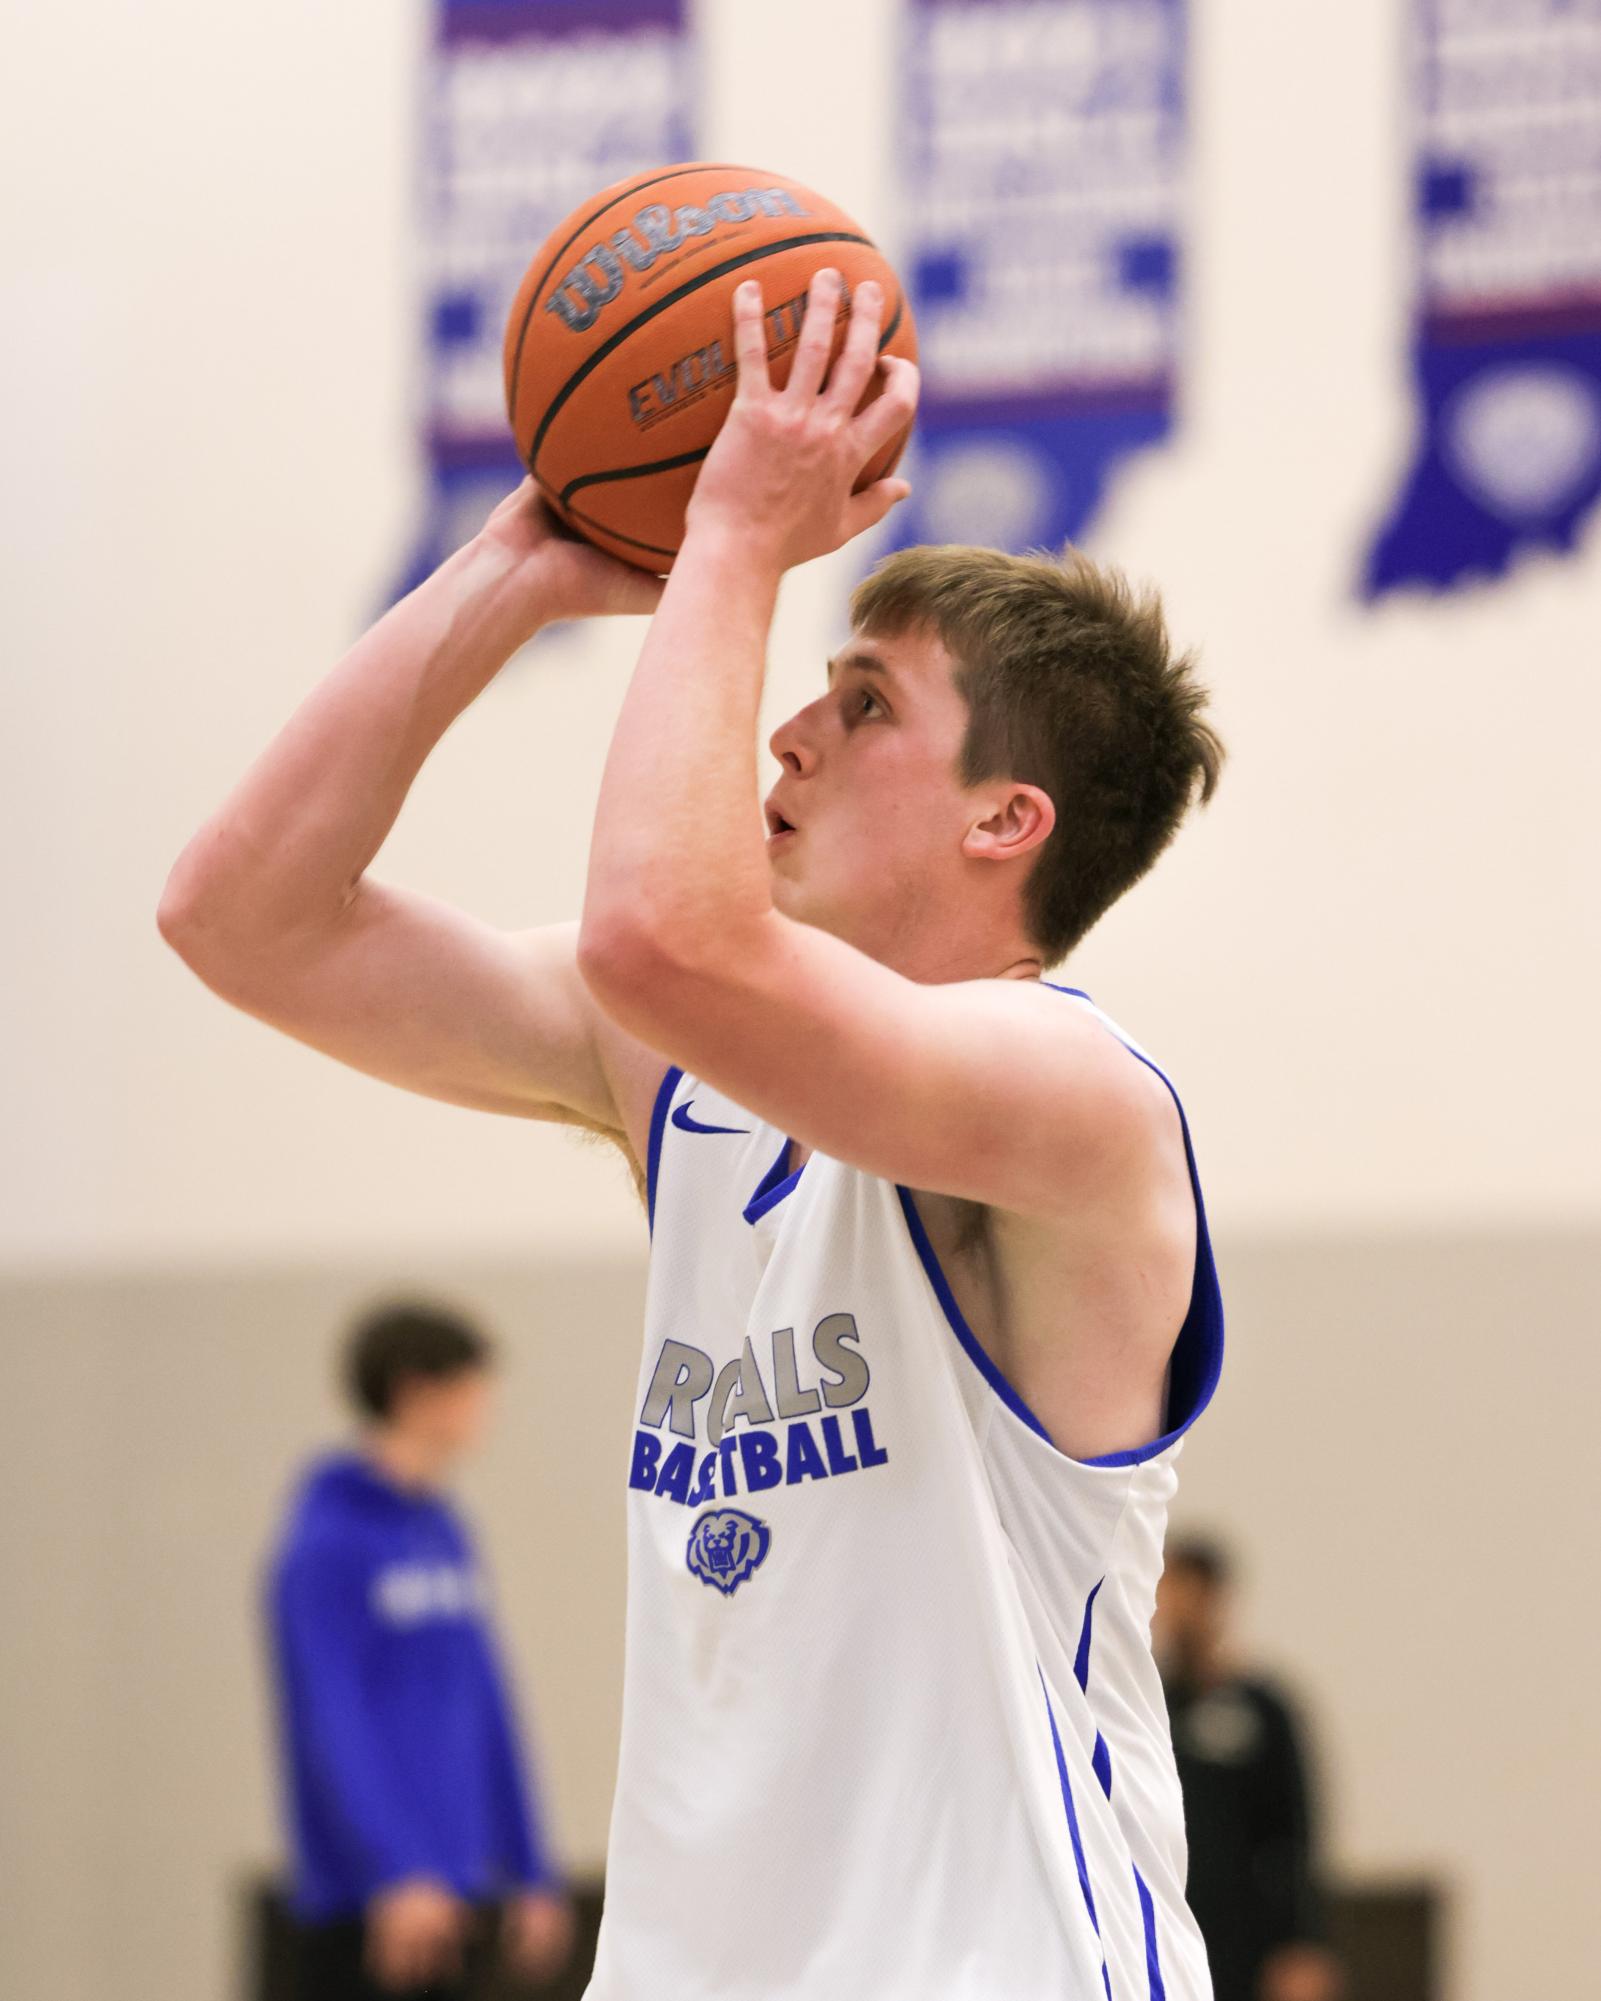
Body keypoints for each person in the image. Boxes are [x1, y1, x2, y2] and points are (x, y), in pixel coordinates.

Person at [165, 269, 1227, 1998]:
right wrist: (514, 571)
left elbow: (664, 931)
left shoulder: (1077, 1101)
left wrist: (734, 534)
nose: (792, 728)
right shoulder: (686, 1079)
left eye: (867, 704)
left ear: (1003, 823)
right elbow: (243, 919)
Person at [266, 1301, 573, 1998]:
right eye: (470, 1384)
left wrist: (530, 1867)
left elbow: (488, 1706)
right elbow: (330, 1717)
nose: (486, 1405)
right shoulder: (325, 1543)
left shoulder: (445, 1531)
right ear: (413, 1389)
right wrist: (395, 1869)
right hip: (375, 1905)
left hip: (461, 1890)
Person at [1154, 1538, 1345, 2001]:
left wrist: (1304, 1944)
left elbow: (1296, 1835)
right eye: (1167, 1592)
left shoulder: (1263, 1710)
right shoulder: (1144, 1708)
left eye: (1189, 1593)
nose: (1177, 1609)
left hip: (1247, 1947)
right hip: (1165, 1932)